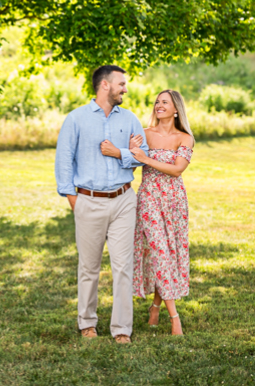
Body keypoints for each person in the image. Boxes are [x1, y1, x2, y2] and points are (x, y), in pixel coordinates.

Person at [54, 64, 148, 344]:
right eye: (121, 84)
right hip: (88, 201)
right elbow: (63, 161)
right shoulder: (76, 119)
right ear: (105, 85)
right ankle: (87, 323)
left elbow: (140, 157)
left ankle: (121, 329)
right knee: (89, 267)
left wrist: (121, 153)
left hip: (123, 201)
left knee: (123, 267)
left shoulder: (130, 119)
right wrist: (74, 199)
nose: (125, 89)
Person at [127, 89, 194, 336]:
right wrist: (132, 153)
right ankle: (175, 317)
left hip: (174, 201)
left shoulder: (185, 138)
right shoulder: (144, 134)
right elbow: (130, 162)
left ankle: (156, 306)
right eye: (157, 102)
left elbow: (177, 170)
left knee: (167, 253)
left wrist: (146, 158)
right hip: (148, 199)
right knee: (158, 251)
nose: (159, 105)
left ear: (176, 109)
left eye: (165, 102)